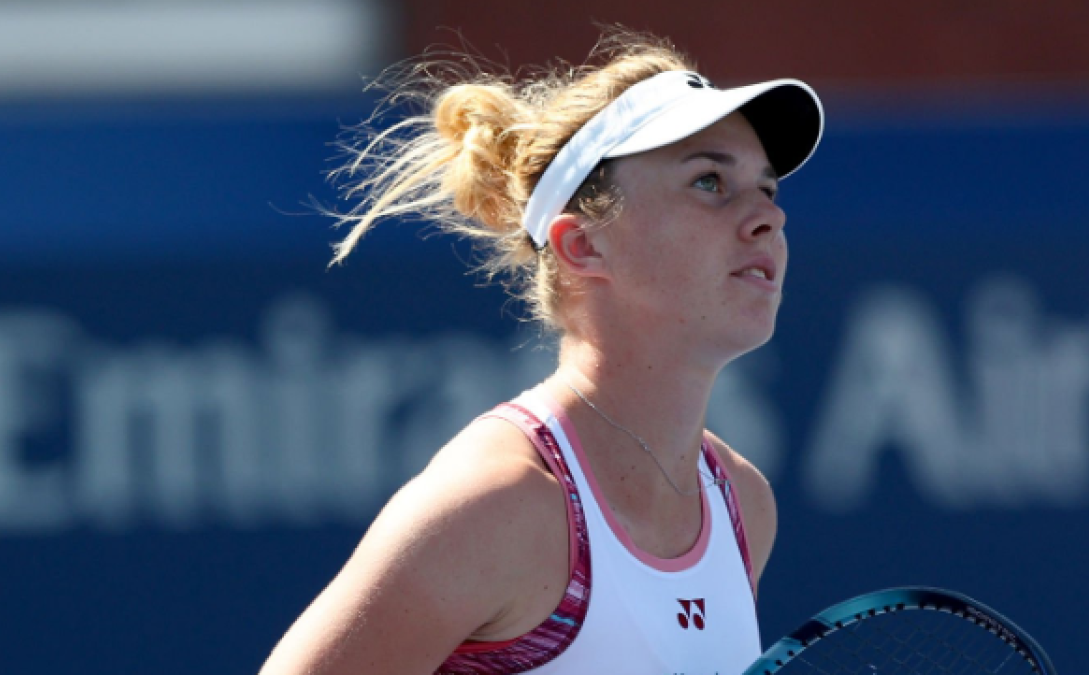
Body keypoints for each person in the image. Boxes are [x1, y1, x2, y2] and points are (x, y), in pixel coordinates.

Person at [260, 28, 823, 675]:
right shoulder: (498, 505)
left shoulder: (743, 505)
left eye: (768, 188)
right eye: (708, 182)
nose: (767, 218)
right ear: (583, 245)